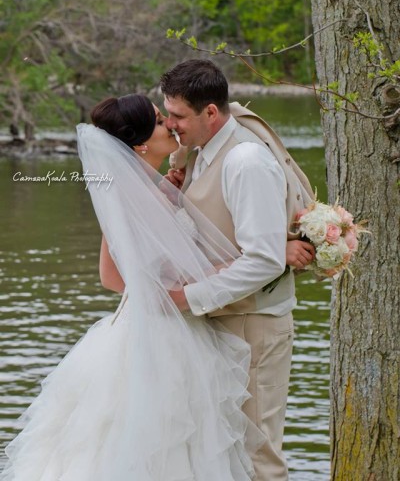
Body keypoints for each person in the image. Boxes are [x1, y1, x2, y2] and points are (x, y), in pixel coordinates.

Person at [0, 94, 263, 481]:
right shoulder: (146, 199)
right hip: (166, 339)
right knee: (171, 446)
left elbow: (111, 278)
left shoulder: (129, 194)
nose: (170, 126)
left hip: (128, 328)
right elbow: (182, 273)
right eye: (159, 122)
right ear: (140, 143)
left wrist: (169, 196)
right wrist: (262, 259)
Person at [160, 59, 315, 481]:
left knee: (257, 454)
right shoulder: (201, 153)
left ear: (211, 112)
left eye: (178, 115)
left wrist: (189, 298)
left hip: (255, 327)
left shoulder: (245, 161)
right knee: (223, 451)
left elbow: (264, 259)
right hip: (223, 321)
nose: (170, 123)